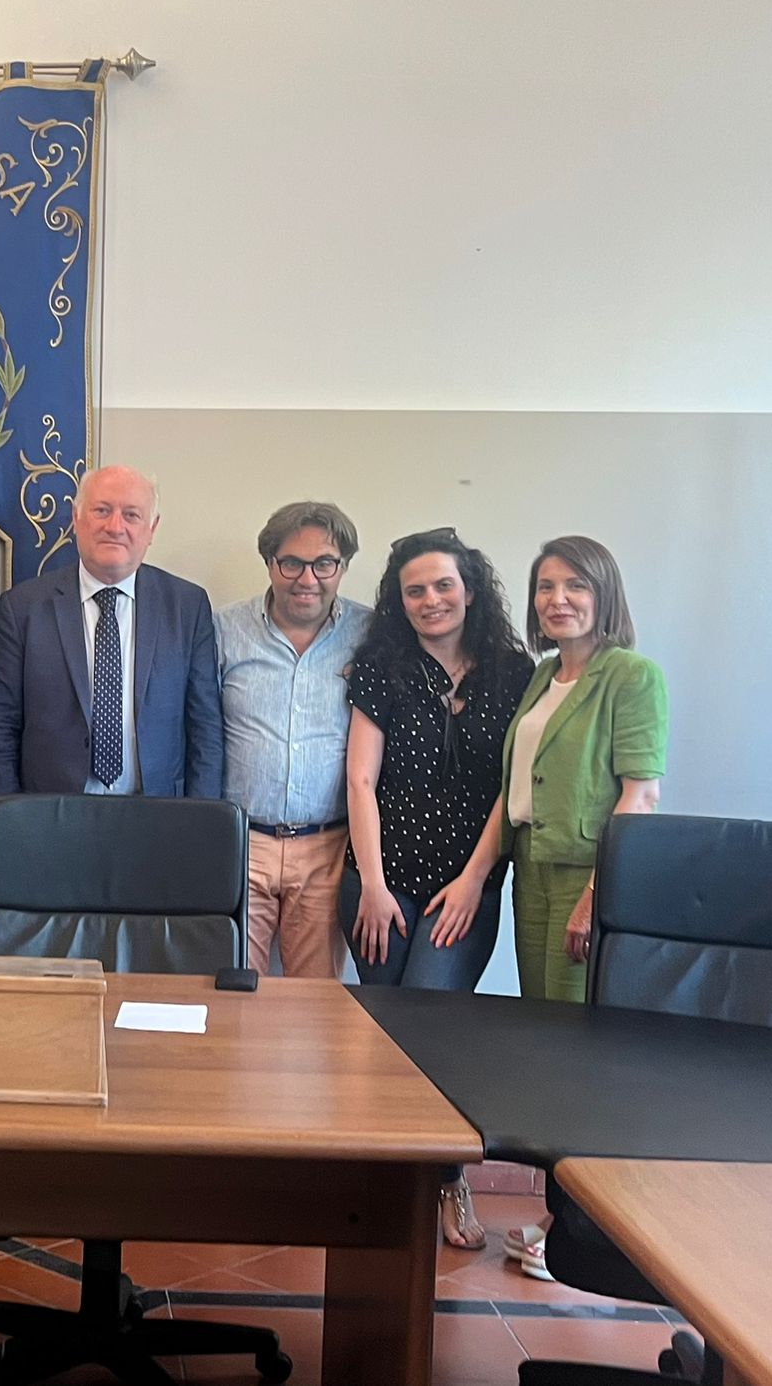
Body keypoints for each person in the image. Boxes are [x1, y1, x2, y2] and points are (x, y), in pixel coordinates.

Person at [437, 535, 667, 1278]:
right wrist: (475, 874)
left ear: (604, 593)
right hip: (532, 870)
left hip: (588, 879)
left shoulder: (630, 676)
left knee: (579, 1057)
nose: (557, 599)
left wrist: (599, 898)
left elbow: (641, 796)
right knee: (548, 1046)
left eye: (575, 585)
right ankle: (555, 1217)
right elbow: (513, 793)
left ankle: (582, 1229)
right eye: (545, 586)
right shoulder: (544, 677)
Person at [341, 528, 534, 1251]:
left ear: (470, 590)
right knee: (384, 1034)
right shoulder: (381, 668)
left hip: (465, 887)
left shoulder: (514, 673)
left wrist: (474, 881)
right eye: (414, 589)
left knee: (435, 1031)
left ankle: (450, 1179)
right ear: (399, 600)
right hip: (379, 886)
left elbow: (511, 789)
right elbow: (360, 779)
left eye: (443, 585)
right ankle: (388, 1181)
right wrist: (372, 884)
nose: (430, 600)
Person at [0, 465, 221, 799]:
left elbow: (205, 729)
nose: (115, 527)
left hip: (159, 812)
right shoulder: (23, 607)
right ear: (76, 518)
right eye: (102, 511)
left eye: (131, 515)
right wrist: (6, 817)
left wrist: (202, 817)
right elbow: (1, 725)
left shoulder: (187, 607)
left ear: (152, 528)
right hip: (51, 814)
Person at [213, 502, 370, 977]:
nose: (308, 579)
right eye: (292, 563)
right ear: (269, 563)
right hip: (241, 844)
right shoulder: (224, 630)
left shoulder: (369, 634)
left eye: (324, 564)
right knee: (233, 987)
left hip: (328, 847)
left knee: (315, 999)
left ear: (343, 566)